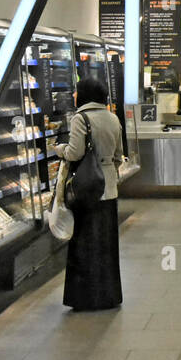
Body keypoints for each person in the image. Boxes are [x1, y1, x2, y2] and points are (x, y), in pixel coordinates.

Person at [61, 77, 125, 310]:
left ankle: (86, 297)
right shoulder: (112, 118)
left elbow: (75, 153)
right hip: (108, 188)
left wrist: (60, 150)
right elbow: (118, 155)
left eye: (77, 92)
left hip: (87, 189)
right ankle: (108, 295)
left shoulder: (81, 118)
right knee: (106, 245)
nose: (74, 96)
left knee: (85, 243)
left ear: (84, 94)